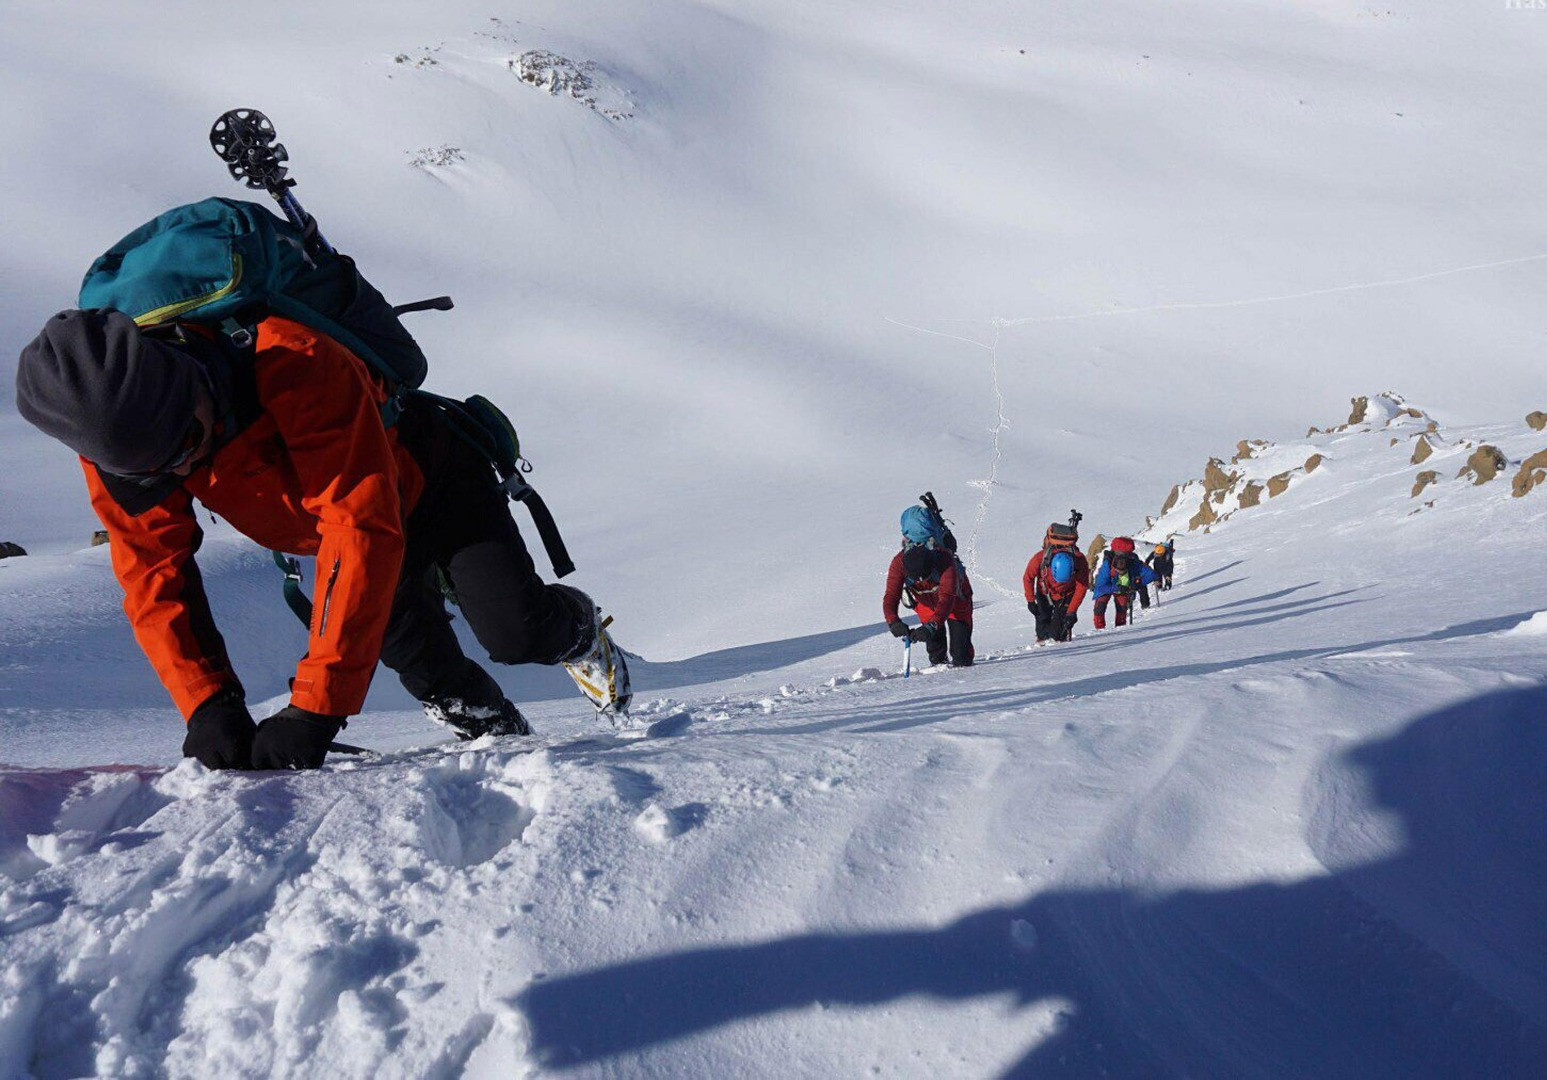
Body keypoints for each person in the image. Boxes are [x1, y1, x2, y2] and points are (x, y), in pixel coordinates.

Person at [16, 308, 623, 770]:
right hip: (341, 539)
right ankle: (511, 759)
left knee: (518, 633)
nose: (181, 470)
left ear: (189, 382)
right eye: (155, 473)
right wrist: (207, 702)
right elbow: (153, 573)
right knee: (434, 676)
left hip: (432, 485)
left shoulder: (291, 360)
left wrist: (316, 707)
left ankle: (580, 632)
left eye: (189, 445)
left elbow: (360, 526)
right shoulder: (120, 453)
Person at [884, 535, 974, 668]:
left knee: (962, 657)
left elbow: (947, 598)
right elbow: (891, 596)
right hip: (925, 602)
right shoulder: (899, 563)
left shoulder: (945, 560)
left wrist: (932, 625)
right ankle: (938, 674)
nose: (921, 581)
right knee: (936, 655)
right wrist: (893, 622)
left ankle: (964, 673)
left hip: (956, 600)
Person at [1023, 524, 1090, 644]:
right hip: (1044, 592)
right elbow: (1028, 578)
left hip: (1067, 594)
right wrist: (1031, 601)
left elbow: (1082, 587)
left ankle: (1061, 643)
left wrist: (1071, 612)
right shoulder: (1040, 558)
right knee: (1042, 624)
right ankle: (1041, 642)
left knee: (1058, 633)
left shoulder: (1079, 561)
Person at [1091, 536, 1158, 629]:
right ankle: (1101, 630)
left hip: (1123, 588)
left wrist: (1136, 584)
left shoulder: (1133, 563)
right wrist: (1117, 587)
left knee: (1120, 608)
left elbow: (1152, 574)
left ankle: (1118, 630)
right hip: (1111, 587)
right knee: (1100, 607)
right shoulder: (1108, 565)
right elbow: (1100, 587)